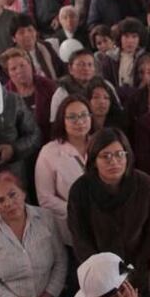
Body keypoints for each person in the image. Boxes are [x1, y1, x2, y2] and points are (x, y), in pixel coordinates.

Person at [67, 129, 150, 289]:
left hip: (141, 272)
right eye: (105, 156)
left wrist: (133, 274)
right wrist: (106, 275)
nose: (114, 161)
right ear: (93, 160)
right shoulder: (80, 190)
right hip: (97, 276)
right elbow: (81, 240)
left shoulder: (146, 184)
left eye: (120, 154)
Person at [35, 94, 92, 247]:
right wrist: (76, 211)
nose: (79, 121)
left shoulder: (101, 143)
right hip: (71, 226)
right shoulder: (49, 152)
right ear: (62, 120)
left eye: (84, 115)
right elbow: (45, 198)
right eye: (72, 117)